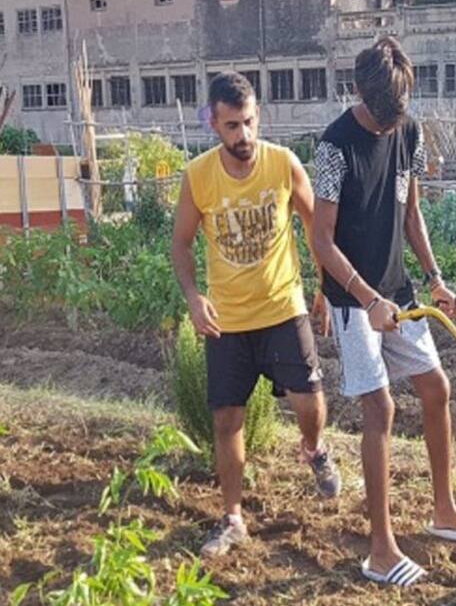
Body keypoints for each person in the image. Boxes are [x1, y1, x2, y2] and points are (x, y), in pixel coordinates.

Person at [311, 36, 456, 589]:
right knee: (381, 409)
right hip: (351, 298)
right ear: (359, 91)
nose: (388, 128)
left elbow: (412, 215)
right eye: (382, 118)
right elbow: (321, 241)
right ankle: (380, 550)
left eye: (397, 119)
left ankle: (443, 511)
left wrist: (434, 280)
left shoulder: (407, 132)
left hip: (398, 290)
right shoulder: (333, 148)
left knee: (436, 388)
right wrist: (367, 299)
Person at [170, 71, 341, 558]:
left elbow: (318, 231)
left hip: (282, 308)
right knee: (227, 419)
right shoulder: (198, 176)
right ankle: (233, 518)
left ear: (258, 116)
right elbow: (180, 244)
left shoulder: (283, 164)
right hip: (227, 321)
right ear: (213, 124)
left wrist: (324, 291)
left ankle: (314, 449)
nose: (242, 136)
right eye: (231, 126)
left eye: (248, 123)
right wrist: (192, 296)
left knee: (309, 405)